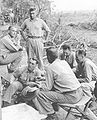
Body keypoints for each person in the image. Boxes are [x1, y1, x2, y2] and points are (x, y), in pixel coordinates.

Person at [31, 47, 85, 120]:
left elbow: (47, 88)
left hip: (72, 97)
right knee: (55, 89)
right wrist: (44, 79)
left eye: (47, 56)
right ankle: (55, 108)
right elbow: (61, 78)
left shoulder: (50, 67)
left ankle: (51, 115)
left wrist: (39, 85)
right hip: (80, 92)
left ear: (49, 57)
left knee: (40, 94)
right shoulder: (63, 62)